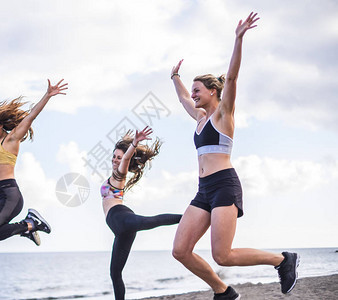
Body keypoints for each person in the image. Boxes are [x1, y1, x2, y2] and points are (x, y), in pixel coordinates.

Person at [170, 13, 299, 299]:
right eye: (192, 91)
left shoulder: (223, 114)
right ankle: (223, 291)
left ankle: (282, 260)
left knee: (223, 255)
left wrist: (238, 39)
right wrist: (175, 77)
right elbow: (181, 99)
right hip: (203, 190)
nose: (193, 96)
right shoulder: (200, 119)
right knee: (180, 250)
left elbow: (232, 76)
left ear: (213, 91)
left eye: (197, 91)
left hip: (224, 186)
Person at [0, 79, 68, 247]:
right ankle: (27, 230)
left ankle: (30, 224)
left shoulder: (10, 140)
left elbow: (30, 117)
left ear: (0, 125)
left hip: (10, 196)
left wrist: (48, 95)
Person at [101, 126, 182, 300]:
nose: (115, 160)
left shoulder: (119, 174)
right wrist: (130, 144)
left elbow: (126, 159)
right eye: (114, 156)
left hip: (121, 217)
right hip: (120, 230)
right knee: (115, 273)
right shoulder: (114, 174)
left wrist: (134, 144)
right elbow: (124, 158)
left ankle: (189, 217)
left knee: (150, 221)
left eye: (119, 157)